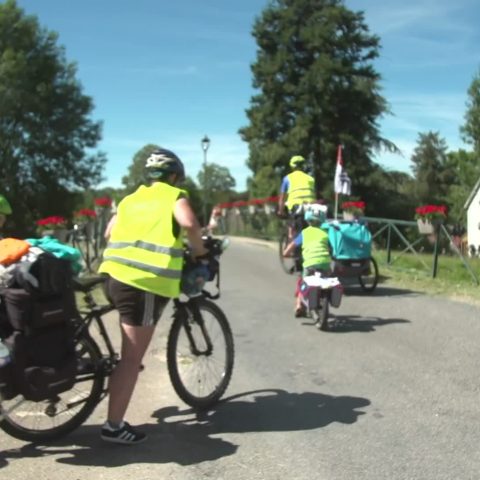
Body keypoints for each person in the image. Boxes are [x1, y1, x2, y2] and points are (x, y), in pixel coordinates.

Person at [97, 147, 208, 445]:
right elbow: (189, 225)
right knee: (131, 359)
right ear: (174, 176)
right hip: (142, 283)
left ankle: (122, 372)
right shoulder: (175, 196)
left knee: (129, 351)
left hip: (113, 275)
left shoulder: (130, 199)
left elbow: (109, 233)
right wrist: (199, 252)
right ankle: (113, 427)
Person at [283, 204, 330, 317]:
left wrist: (285, 253)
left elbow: (293, 245)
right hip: (324, 264)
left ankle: (299, 305)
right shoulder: (325, 233)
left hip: (309, 264)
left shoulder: (304, 233)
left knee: (302, 283)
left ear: (308, 221)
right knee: (326, 277)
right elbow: (330, 248)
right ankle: (325, 294)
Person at [277, 155, 316, 241]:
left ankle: (292, 244)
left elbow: (282, 198)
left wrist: (280, 210)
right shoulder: (311, 178)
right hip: (310, 207)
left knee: (291, 225)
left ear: (292, 166)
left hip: (295, 207)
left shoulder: (287, 178)